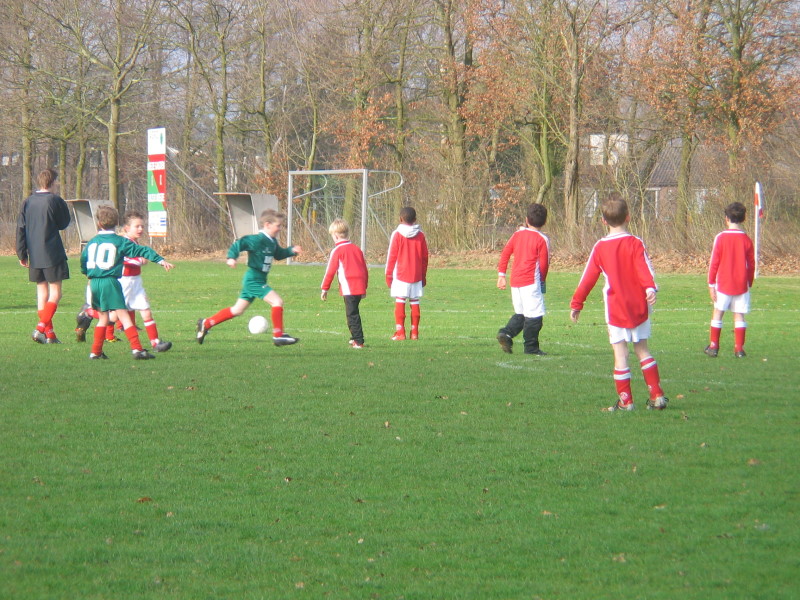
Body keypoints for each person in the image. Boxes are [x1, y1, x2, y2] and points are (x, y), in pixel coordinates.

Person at [569, 194, 668, 411]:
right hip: (639, 305)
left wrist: (577, 303)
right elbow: (645, 269)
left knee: (620, 353)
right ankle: (657, 394)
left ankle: (626, 401)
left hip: (616, 308)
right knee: (642, 349)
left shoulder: (600, 247)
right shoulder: (635, 242)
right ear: (629, 218)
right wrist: (650, 288)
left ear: (603, 221)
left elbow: (588, 278)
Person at [80, 205, 174, 360]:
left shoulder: (92, 242)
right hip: (110, 281)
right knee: (123, 316)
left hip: (94, 282)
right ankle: (138, 350)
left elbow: (84, 262)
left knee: (104, 318)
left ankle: (95, 352)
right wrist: (160, 260)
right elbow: (143, 251)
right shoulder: (119, 241)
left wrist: (87, 274)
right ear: (117, 223)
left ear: (99, 224)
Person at [196, 209, 302, 346]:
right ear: (267, 224)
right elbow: (239, 244)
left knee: (237, 310)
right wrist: (231, 257)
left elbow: (278, 254)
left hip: (257, 280)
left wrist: (290, 251)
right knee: (277, 301)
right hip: (254, 280)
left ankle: (206, 323)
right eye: (278, 226)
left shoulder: (272, 241)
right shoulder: (257, 239)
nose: (280, 229)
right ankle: (278, 335)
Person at [16, 168, 71, 344]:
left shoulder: (28, 201)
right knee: (56, 293)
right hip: (52, 251)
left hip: (34, 253)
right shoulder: (55, 200)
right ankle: (40, 328)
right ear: (52, 182)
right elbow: (64, 223)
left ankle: (51, 335)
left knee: (42, 293)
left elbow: (21, 228)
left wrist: (21, 252)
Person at [496, 203, 550, 355]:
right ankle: (531, 348)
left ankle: (506, 333)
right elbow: (544, 264)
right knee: (535, 316)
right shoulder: (542, 239)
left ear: (527, 220)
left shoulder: (517, 235)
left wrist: (501, 275)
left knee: (521, 313)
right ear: (545, 221)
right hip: (531, 281)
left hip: (515, 281)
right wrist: (542, 281)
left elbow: (505, 253)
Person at [704, 201, 755, 358]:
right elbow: (751, 264)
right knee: (739, 314)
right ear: (743, 219)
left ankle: (714, 346)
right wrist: (749, 282)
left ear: (726, 218)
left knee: (718, 312)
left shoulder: (721, 238)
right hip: (741, 284)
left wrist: (711, 284)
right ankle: (739, 349)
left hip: (723, 284)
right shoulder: (746, 240)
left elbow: (714, 262)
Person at [320, 219, 369, 348]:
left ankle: (359, 341)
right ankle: (354, 337)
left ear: (335, 235)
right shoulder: (357, 249)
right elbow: (364, 269)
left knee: (352, 314)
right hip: (359, 285)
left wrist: (325, 288)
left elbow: (330, 271)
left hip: (349, 285)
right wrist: (364, 287)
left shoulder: (337, 251)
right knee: (353, 311)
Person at [385, 206, 429, 340]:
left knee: (400, 300)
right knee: (415, 301)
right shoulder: (420, 235)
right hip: (416, 275)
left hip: (401, 274)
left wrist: (388, 275)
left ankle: (400, 332)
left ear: (400, 219)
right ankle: (414, 333)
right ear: (415, 220)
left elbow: (391, 256)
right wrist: (423, 275)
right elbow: (425, 257)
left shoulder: (397, 234)